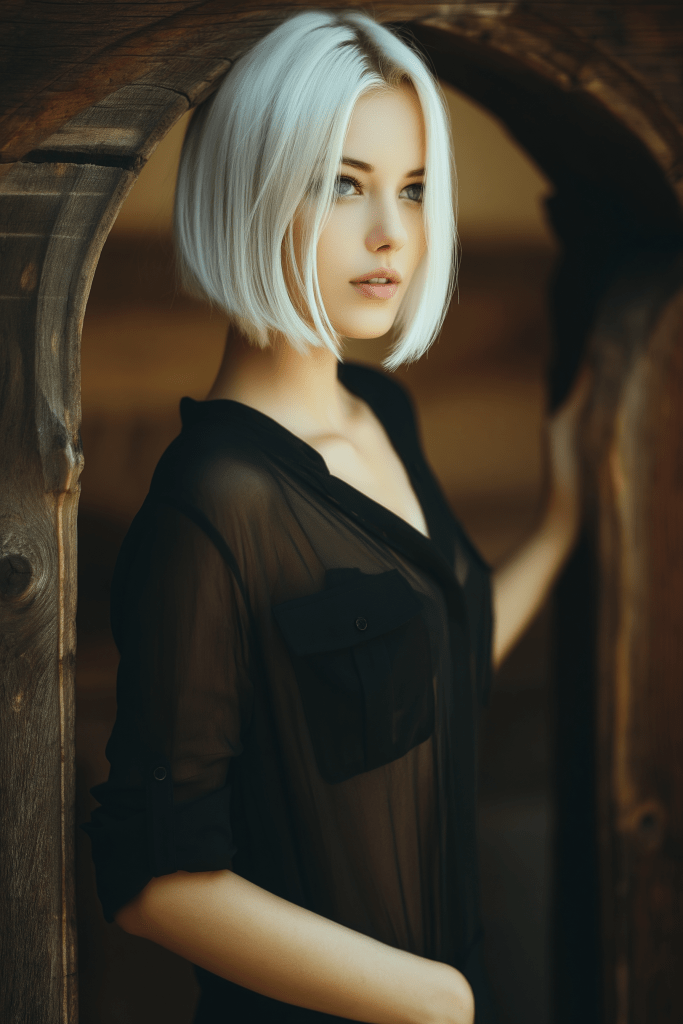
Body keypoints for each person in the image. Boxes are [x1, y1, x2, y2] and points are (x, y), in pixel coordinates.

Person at [81, 10, 588, 1024]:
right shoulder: (212, 501)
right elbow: (153, 880)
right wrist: (433, 999)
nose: (390, 232)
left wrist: (561, 520)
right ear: (252, 185)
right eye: (344, 183)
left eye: (414, 189)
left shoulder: (384, 416)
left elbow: (437, 663)